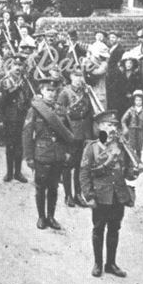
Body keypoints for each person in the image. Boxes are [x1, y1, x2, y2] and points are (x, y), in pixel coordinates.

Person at [80, 110, 143, 278]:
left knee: (114, 229)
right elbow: (84, 174)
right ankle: (98, 264)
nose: (113, 128)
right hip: (100, 196)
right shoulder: (92, 147)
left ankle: (111, 264)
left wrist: (135, 172)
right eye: (108, 125)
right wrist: (89, 196)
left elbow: (128, 173)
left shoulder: (122, 147)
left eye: (115, 125)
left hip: (118, 195)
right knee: (98, 229)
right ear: (100, 126)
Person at [23, 77, 76, 230]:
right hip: (42, 153)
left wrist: (67, 152)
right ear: (42, 91)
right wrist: (29, 156)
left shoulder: (60, 110)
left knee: (53, 188)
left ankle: (51, 217)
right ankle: (41, 217)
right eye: (48, 90)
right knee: (40, 187)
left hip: (57, 154)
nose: (51, 94)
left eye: (54, 91)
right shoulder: (35, 109)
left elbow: (69, 133)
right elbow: (27, 133)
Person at [56, 68, 94, 207]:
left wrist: (89, 134)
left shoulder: (86, 93)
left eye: (81, 76)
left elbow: (89, 113)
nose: (79, 79)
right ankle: (68, 195)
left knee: (80, 166)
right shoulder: (65, 93)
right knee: (68, 165)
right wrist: (65, 134)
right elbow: (60, 115)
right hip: (71, 133)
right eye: (76, 76)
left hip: (83, 133)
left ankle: (78, 194)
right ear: (71, 77)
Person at [120, 90, 143, 163]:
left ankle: (138, 163)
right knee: (131, 147)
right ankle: (129, 163)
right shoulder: (131, 109)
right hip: (132, 131)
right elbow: (123, 120)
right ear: (134, 101)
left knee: (139, 148)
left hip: (141, 131)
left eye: (140, 100)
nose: (138, 102)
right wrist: (125, 128)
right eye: (136, 100)